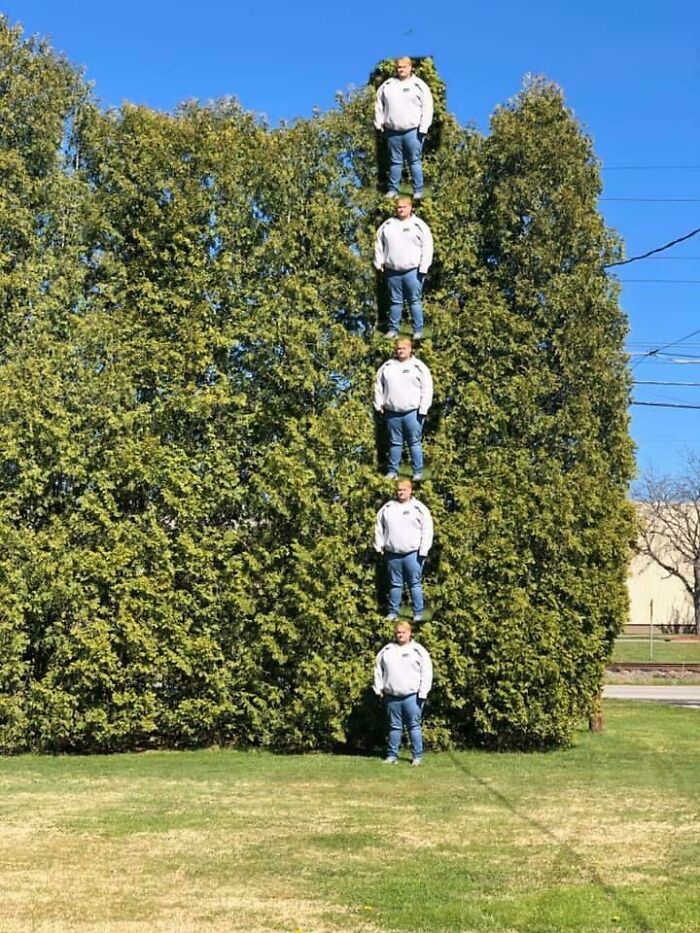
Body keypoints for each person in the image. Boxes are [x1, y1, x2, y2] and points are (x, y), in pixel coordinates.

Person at [373, 620, 433, 765]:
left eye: (403, 632)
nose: (400, 635)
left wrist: (423, 693)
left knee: (414, 726)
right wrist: (378, 688)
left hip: (413, 697)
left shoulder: (418, 650)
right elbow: (378, 669)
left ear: (410, 633)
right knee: (394, 727)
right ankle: (392, 756)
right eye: (398, 632)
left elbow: (427, 671)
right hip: (391, 696)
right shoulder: (387, 650)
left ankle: (417, 757)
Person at [374, 478, 433, 622]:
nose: (401, 493)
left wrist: (424, 550)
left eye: (404, 490)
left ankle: (418, 614)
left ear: (410, 490)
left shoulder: (419, 508)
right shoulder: (387, 508)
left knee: (414, 584)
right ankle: (393, 613)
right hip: (392, 554)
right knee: (395, 584)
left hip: (413, 554)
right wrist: (378, 545)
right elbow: (379, 527)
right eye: (399, 490)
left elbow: (427, 529)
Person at [374, 57, 434, 199]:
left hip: (413, 131)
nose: (401, 69)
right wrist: (379, 123)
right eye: (399, 67)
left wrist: (424, 127)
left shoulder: (419, 85)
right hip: (392, 131)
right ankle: (393, 191)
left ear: (410, 68)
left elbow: (428, 106)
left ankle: (418, 191)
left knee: (414, 161)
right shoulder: (387, 85)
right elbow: (379, 105)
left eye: (404, 67)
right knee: (395, 162)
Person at [374, 337, 433, 480]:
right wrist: (379, 404)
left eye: (403, 348)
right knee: (395, 443)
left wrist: (423, 409)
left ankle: (417, 473)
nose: (400, 351)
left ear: (410, 349)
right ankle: (392, 472)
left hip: (413, 413)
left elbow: (427, 388)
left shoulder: (419, 367)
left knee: (414, 443)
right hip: (392, 413)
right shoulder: (387, 366)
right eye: (398, 348)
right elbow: (378, 386)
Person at [374, 197, 434, 339]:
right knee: (395, 302)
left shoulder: (419, 225)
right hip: (392, 271)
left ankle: (418, 331)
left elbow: (427, 246)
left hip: (413, 271)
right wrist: (379, 262)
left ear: (410, 208)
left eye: (404, 207)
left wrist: (424, 267)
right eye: (399, 207)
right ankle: (393, 330)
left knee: (414, 301)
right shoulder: (387, 225)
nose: (401, 209)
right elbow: (379, 244)